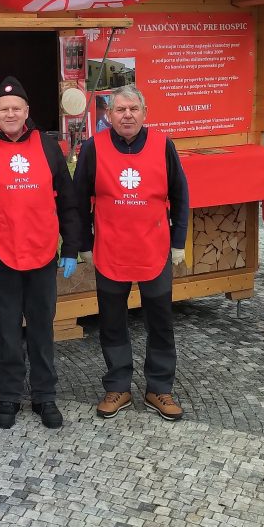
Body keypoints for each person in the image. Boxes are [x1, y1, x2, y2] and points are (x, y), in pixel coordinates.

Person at [0, 76, 80, 429]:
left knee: (42, 330)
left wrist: (71, 246)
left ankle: (45, 396)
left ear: (27, 111)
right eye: (3, 109)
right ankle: (9, 396)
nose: (10, 114)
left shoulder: (50, 147)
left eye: (16, 108)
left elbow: (68, 202)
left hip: (42, 255)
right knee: (7, 332)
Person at [72, 85, 189, 422]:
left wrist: (178, 242)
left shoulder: (163, 146)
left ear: (144, 112)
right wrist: (83, 245)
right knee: (112, 323)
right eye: (120, 109)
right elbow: (78, 201)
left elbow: (181, 196)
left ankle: (159, 388)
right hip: (110, 250)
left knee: (161, 323)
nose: (127, 115)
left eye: (133, 109)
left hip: (154, 250)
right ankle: (118, 386)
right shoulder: (93, 148)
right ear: (108, 116)